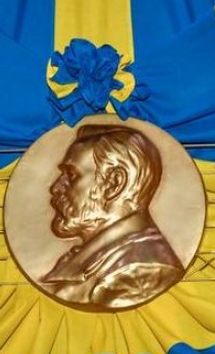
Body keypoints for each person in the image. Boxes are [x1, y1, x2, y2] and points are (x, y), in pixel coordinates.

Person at [42, 124, 184, 309]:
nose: (56, 187)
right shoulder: (100, 259)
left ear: (114, 184)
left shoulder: (139, 274)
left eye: (71, 174)